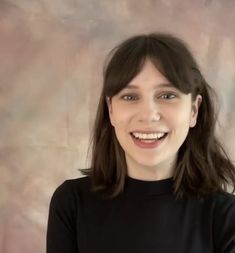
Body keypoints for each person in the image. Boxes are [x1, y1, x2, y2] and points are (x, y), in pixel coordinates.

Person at [46, 33, 235, 253]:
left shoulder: (225, 216)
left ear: (194, 110)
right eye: (130, 97)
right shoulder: (71, 203)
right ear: (111, 110)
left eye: (167, 95)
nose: (148, 115)